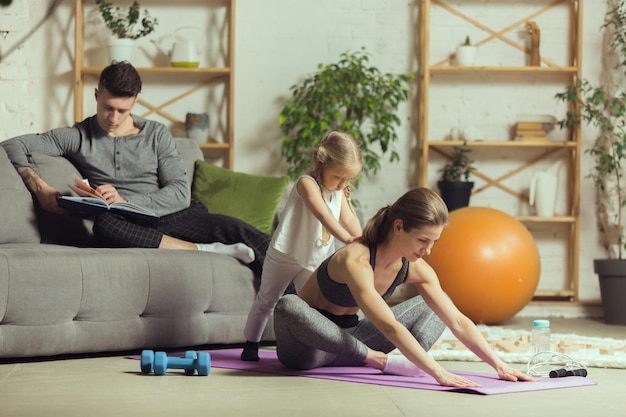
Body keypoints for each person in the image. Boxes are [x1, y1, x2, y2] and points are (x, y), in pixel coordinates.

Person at [0, 61, 269, 275]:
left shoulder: (156, 134)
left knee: (245, 232)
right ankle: (206, 250)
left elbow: (178, 193)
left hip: (174, 215)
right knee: (104, 227)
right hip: (126, 225)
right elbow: (12, 145)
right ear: (96, 95)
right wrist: (41, 188)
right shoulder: (78, 135)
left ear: (135, 102)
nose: (113, 118)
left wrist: (127, 199)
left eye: (122, 110)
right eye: (108, 108)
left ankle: (296, 309)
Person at [272, 187, 536, 387]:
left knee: (433, 305)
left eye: (434, 242)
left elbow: (456, 320)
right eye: (423, 240)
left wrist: (499, 365)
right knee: (288, 305)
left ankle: (392, 359)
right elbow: (389, 326)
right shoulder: (356, 259)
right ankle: (383, 361)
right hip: (309, 351)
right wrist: (438, 373)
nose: (428, 250)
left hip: (355, 342)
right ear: (398, 227)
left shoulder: (417, 269)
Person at [241, 131, 363, 361]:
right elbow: (324, 216)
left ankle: (311, 349)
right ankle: (251, 344)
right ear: (322, 163)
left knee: (313, 308)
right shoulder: (306, 183)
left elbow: (350, 222)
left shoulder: (339, 192)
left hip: (314, 257)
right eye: (338, 177)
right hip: (285, 253)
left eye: (348, 180)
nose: (342, 185)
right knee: (267, 299)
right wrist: (347, 240)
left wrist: (366, 243)